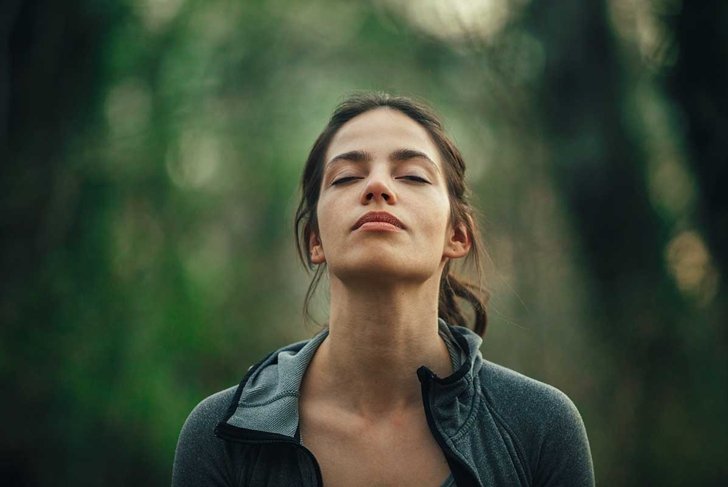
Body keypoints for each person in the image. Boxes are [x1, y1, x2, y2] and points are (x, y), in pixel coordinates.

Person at [172, 93, 594, 486]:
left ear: (457, 235)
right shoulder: (221, 434)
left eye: (412, 175)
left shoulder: (540, 427)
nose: (378, 187)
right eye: (346, 177)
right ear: (315, 240)